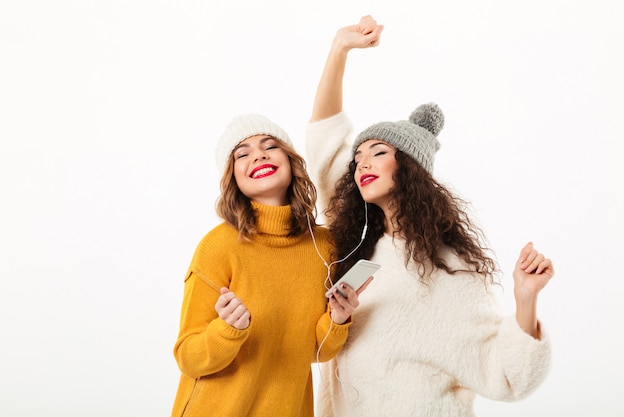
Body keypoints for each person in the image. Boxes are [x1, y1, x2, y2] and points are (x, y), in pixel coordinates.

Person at [305, 16, 555, 416]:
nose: (362, 162)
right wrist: (339, 49)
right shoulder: (358, 244)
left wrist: (525, 298)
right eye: (358, 157)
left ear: (410, 167)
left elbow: (505, 372)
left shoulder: (449, 265)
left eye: (379, 152)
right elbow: (325, 142)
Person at [171, 114, 366, 417]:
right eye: (242, 153)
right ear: (232, 176)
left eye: (269, 146)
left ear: (290, 161)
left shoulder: (324, 246)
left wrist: (338, 320)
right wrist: (226, 331)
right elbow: (188, 356)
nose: (258, 155)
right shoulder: (218, 246)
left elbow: (316, 350)